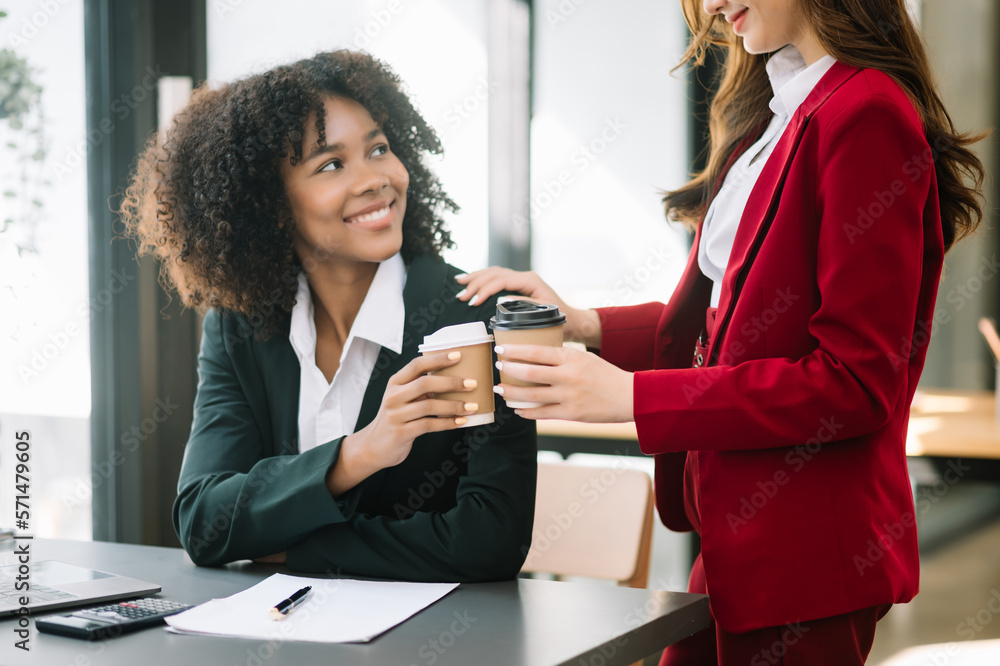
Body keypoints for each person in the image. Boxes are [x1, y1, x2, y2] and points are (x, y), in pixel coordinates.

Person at [455, 0, 986, 662]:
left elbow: (853, 383)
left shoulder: (865, 114)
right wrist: (580, 324)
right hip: (742, 546)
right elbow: (726, 332)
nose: (707, 5)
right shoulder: (776, 109)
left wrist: (633, 400)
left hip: (807, 562)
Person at [119, 50, 536, 582]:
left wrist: (298, 549)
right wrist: (358, 454)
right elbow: (203, 520)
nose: (375, 179)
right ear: (270, 203)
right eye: (331, 164)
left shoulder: (476, 321)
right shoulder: (241, 326)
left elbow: (488, 540)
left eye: (379, 149)